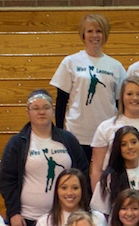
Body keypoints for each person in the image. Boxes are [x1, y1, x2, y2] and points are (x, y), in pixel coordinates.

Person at [0, 88, 90, 226]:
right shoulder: (18, 143)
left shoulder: (67, 139)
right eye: (36, 108)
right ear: (28, 112)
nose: (41, 112)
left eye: (46, 107)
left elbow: (82, 172)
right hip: (30, 219)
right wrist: (13, 212)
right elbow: (7, 180)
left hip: (68, 218)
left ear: (52, 111)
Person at [49, 13, 126, 160]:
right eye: (90, 31)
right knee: (79, 178)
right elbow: (61, 100)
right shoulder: (70, 62)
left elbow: (120, 103)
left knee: (104, 178)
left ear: (105, 34)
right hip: (77, 132)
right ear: (83, 34)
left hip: (106, 132)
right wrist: (59, 131)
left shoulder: (116, 67)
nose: (94, 35)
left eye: (99, 31)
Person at [92, 126, 139, 226]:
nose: (130, 147)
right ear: (118, 148)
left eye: (134, 142)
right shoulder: (109, 178)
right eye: (124, 144)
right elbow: (100, 213)